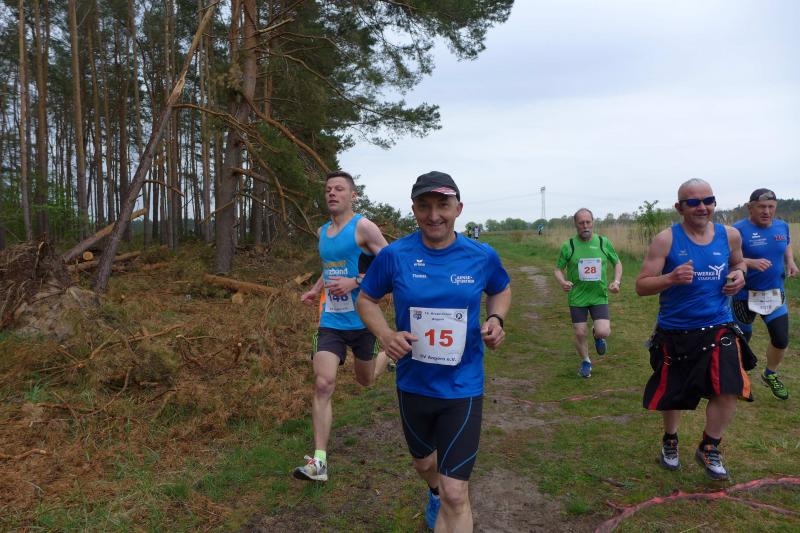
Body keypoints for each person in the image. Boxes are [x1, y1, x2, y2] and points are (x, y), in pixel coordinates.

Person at [356, 171, 511, 532]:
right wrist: (385, 334)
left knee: (457, 493)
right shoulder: (395, 255)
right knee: (426, 465)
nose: (434, 215)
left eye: (443, 205)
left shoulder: (481, 256)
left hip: (462, 386)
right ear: (414, 210)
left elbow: (501, 289)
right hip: (414, 384)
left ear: (458, 208)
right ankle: (434, 491)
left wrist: (496, 318)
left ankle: (447, 497)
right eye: (424, 206)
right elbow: (366, 300)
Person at [636, 178, 756, 481]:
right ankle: (670, 439)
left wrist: (740, 275)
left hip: (719, 326)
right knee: (674, 393)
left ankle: (709, 446)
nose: (702, 207)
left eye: (708, 200)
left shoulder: (730, 235)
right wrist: (670, 278)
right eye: (693, 202)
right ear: (680, 207)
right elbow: (641, 285)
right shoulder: (666, 240)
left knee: (729, 387)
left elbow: (739, 263)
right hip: (676, 329)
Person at [293, 171, 390, 482]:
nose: (332, 193)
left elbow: (391, 265)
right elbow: (329, 268)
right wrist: (315, 289)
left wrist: (356, 281)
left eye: (339, 189)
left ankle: (388, 355)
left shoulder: (364, 227)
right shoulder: (323, 231)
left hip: (363, 320)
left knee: (366, 380)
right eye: (328, 189)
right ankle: (319, 462)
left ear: (353, 195)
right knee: (323, 383)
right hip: (331, 320)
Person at [732, 188, 798, 400]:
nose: (767, 211)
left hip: (774, 293)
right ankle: (739, 377)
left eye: (771, 207)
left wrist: (790, 261)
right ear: (750, 207)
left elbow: (786, 243)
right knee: (742, 341)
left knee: (781, 339)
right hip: (744, 295)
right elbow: (725, 257)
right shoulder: (737, 230)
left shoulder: (782, 226)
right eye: (761, 207)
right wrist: (749, 262)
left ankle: (770, 374)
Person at [553, 208, 622, 378]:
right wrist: (562, 282)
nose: (585, 226)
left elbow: (617, 263)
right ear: (575, 224)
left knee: (603, 331)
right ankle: (586, 361)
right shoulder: (568, 245)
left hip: (598, 295)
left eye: (588, 222)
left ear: (592, 222)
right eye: (581, 223)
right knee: (579, 332)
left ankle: (597, 336)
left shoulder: (603, 242)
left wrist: (616, 281)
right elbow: (558, 269)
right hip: (577, 297)